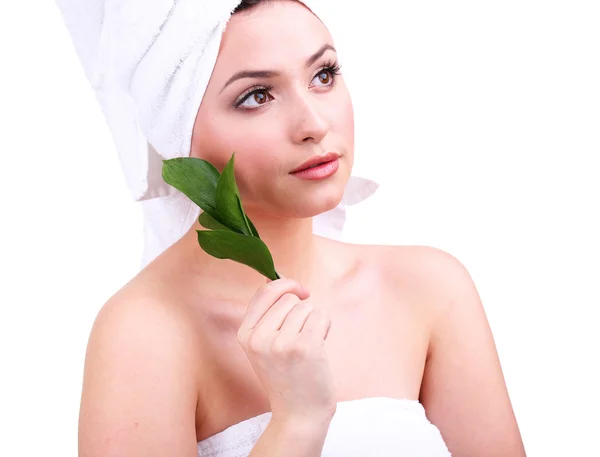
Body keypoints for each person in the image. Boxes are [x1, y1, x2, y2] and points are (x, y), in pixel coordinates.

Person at [76, 1, 526, 456]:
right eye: (256, 96)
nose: (314, 124)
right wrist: (296, 422)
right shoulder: (144, 333)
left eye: (323, 75)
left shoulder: (429, 288)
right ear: (180, 132)